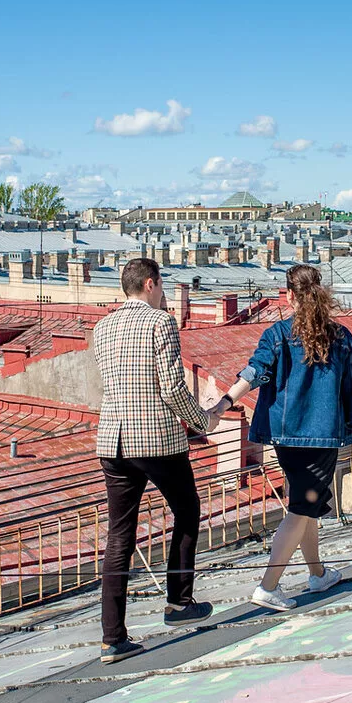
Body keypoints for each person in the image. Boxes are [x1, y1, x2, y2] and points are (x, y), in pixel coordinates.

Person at [209, 263, 352, 611]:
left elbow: (255, 371)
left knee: (306, 504)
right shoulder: (340, 336)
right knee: (302, 507)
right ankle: (268, 586)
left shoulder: (276, 335)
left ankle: (317, 574)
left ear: (288, 296)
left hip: (286, 439)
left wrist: (225, 401)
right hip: (322, 438)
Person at [91, 257, 218, 663]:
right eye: (161, 285)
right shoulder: (161, 323)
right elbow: (171, 386)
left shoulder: (102, 326)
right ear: (150, 284)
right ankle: (179, 602)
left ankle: (113, 639)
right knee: (187, 510)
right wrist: (202, 420)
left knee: (119, 537)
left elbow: (113, 381)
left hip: (112, 441)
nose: (162, 292)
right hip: (156, 440)